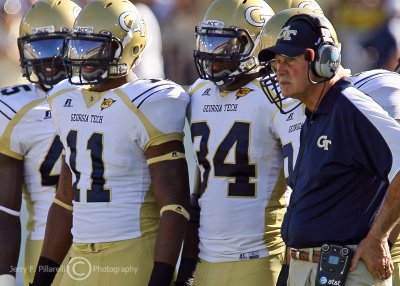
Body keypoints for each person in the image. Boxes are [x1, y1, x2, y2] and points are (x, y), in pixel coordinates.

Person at [29, 1, 190, 286]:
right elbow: (66, 199)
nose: (86, 57)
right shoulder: (65, 97)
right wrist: (43, 276)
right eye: (81, 45)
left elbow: (174, 206)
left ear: (131, 48)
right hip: (79, 255)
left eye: (98, 47)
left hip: (132, 252)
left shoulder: (150, 101)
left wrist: (161, 277)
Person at [259, 11, 400, 286]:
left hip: (346, 270)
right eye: (277, 61)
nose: (280, 69)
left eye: (289, 59)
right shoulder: (315, 112)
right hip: (310, 268)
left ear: (325, 61)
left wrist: (378, 237)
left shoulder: (349, 106)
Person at [175, 0, 293, 285]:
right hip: (206, 259)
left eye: (225, 46)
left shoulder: (278, 95)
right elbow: (200, 187)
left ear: (258, 43)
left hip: (259, 261)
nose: (212, 55)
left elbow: (302, 188)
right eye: (208, 42)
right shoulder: (200, 92)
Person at [0, 1, 80, 285]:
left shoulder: (110, 96)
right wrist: (5, 279)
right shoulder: (12, 106)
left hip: (111, 241)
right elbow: (6, 210)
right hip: (45, 246)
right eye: (37, 49)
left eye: (55, 48)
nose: (46, 61)